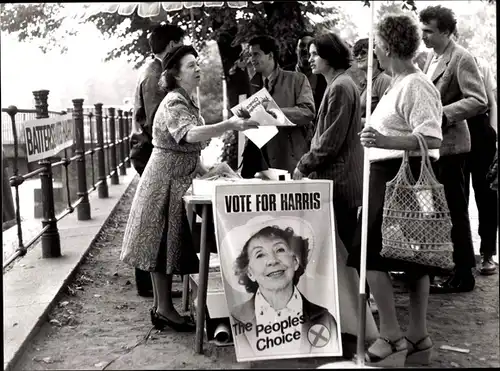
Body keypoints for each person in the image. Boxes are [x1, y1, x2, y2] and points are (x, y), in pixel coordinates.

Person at [120, 45, 259, 332]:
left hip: (174, 178)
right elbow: (188, 135)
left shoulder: (186, 100)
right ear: (175, 74)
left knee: (163, 247)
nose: (198, 68)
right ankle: (164, 310)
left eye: (197, 63)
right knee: (160, 246)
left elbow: (189, 149)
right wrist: (229, 125)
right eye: (191, 65)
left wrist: (209, 169)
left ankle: (162, 309)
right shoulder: (173, 102)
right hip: (164, 180)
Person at [347, 14, 444, 367]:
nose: (375, 54)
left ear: (387, 47)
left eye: (378, 46)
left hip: (402, 178)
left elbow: (433, 138)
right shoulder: (397, 82)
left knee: (371, 255)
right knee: (408, 259)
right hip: (387, 176)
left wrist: (385, 139)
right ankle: (418, 338)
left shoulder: (415, 84)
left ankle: (391, 336)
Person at [419, 5, 488, 293]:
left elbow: (479, 99)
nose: (423, 37)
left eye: (429, 32)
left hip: (453, 148)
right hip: (435, 149)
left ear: (446, 32)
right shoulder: (431, 57)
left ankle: (464, 274)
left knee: (455, 211)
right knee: (436, 211)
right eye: (422, 30)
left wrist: (441, 114)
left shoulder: (461, 58)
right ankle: (446, 267)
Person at [292, 32, 363, 250]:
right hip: (340, 179)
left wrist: (303, 166)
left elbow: (330, 141)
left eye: (315, 54)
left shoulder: (340, 86)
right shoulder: (339, 84)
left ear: (330, 56)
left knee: (350, 251)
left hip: (341, 181)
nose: (309, 59)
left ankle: (367, 286)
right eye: (309, 54)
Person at [130, 24, 185, 298]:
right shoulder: (155, 75)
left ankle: (150, 285)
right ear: (172, 44)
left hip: (147, 149)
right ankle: (148, 286)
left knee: (153, 218)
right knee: (154, 219)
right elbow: (155, 121)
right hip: (149, 151)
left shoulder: (152, 69)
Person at [230, 221, 339, 356]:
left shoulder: (324, 318)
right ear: (250, 273)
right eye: (260, 254)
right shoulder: (236, 319)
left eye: (280, 250)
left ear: (295, 261)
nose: (273, 260)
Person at [240, 35, 315, 178]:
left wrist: (274, 113)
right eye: (250, 55)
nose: (252, 59)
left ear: (270, 55)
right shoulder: (252, 85)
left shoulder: (297, 79)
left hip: (290, 160)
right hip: (260, 164)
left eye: (256, 54)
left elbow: (308, 112)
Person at [463, 55, 498, 276]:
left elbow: (492, 103)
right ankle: (462, 255)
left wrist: (494, 137)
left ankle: (487, 253)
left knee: (486, 194)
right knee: (458, 195)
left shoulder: (480, 63)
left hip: (481, 132)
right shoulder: (436, 61)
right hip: (455, 132)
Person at [284, 35, 327, 114]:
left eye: (308, 47)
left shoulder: (324, 78)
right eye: (302, 45)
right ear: (296, 50)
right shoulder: (282, 74)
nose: (305, 49)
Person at [352, 38, 391, 125]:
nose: (358, 57)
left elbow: (387, 118)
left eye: (363, 53)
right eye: (356, 54)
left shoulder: (383, 80)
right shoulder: (363, 83)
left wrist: (355, 122)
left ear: (375, 55)